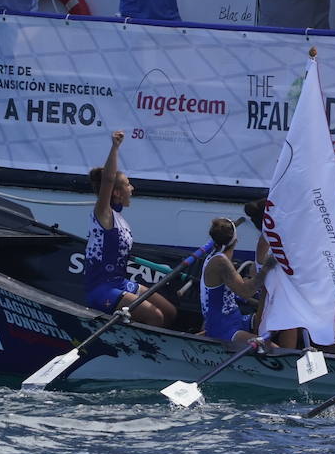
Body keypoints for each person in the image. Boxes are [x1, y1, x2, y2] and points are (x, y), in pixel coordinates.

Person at [84, 130, 178, 326]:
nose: (132, 188)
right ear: (117, 192)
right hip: (101, 288)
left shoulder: (118, 216)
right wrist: (115, 148)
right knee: (155, 317)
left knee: (170, 312)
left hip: (119, 282)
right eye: (128, 185)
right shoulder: (104, 214)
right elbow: (108, 180)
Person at [200, 217, 263, 345]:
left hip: (235, 319)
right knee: (270, 348)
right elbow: (246, 292)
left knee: (283, 326)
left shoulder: (214, 255)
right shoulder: (220, 262)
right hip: (223, 328)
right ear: (236, 240)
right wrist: (267, 268)